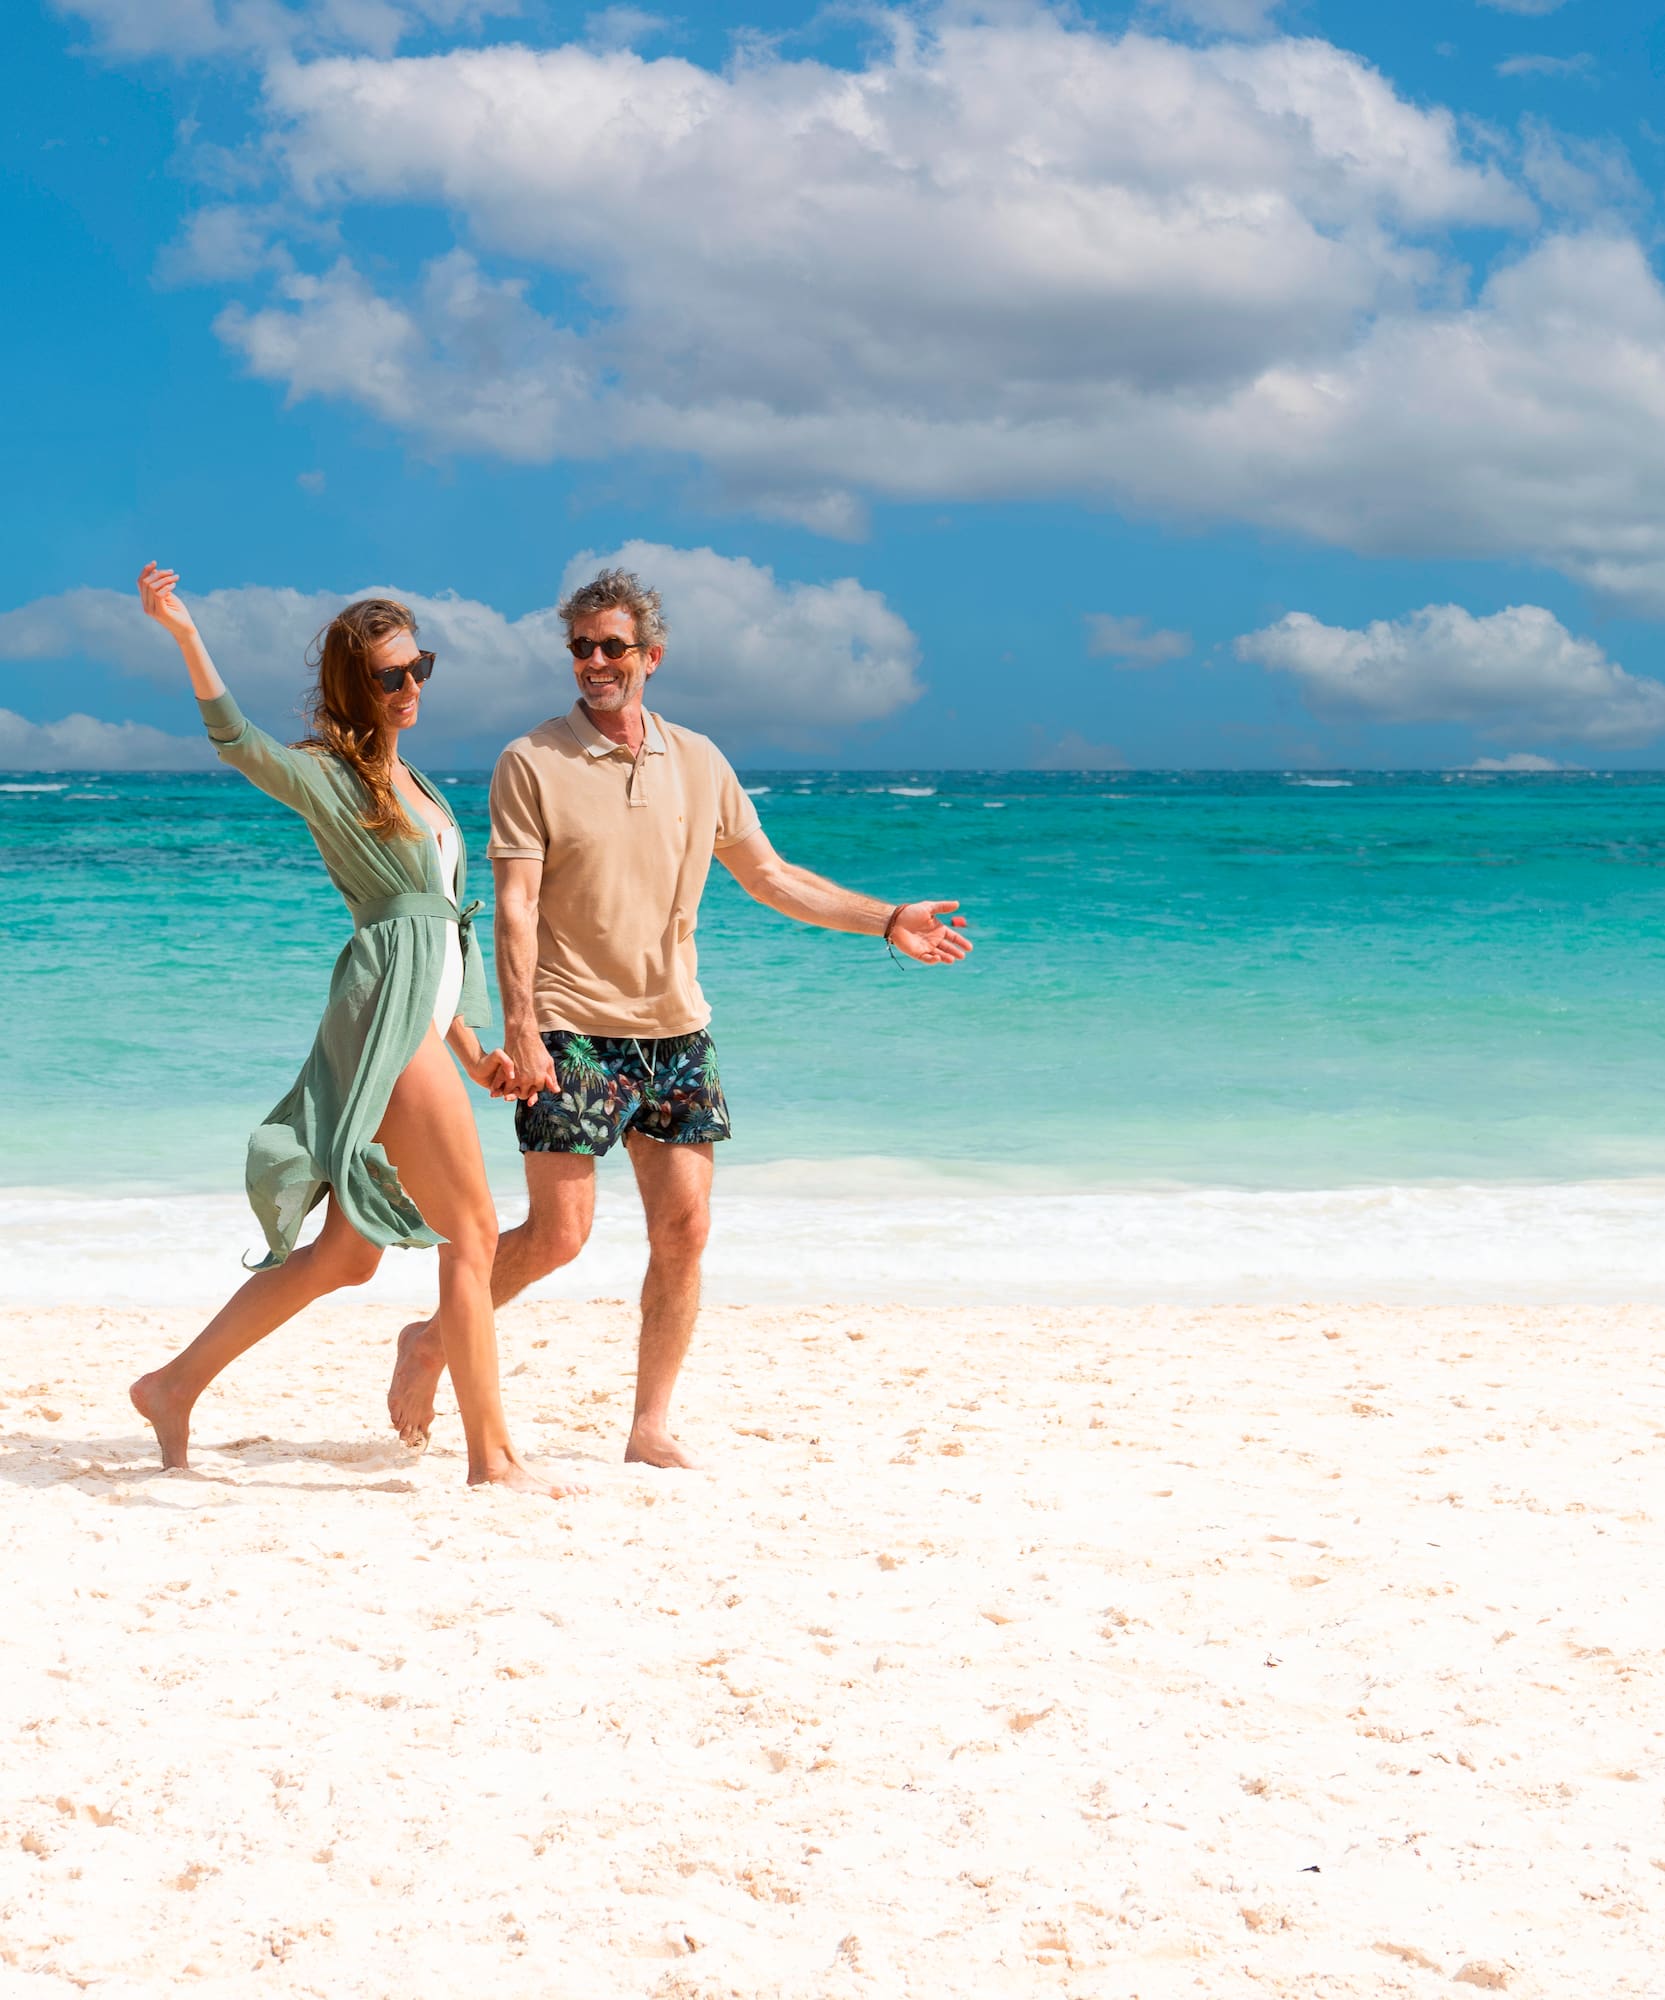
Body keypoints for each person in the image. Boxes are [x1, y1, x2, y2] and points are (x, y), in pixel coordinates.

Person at [387, 566, 971, 1468]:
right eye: (580, 647)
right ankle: (431, 1340)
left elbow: (771, 877)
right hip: (572, 1026)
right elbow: (514, 908)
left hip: (677, 1030)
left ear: (651, 656)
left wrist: (886, 919)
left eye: (612, 646)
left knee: (685, 1231)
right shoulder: (531, 761)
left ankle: (649, 1426)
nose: (594, 661)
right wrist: (522, 1028)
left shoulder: (699, 761)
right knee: (559, 1235)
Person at [127, 562, 580, 1499]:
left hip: (421, 1022)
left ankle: (170, 1387)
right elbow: (238, 742)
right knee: (472, 1232)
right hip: (382, 1024)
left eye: (420, 668)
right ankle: (493, 1460)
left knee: (347, 1254)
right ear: (352, 683)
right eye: (389, 675)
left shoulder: (417, 782)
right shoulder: (332, 777)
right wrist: (186, 634)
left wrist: (475, 1049)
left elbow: (443, 932)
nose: (410, 686)